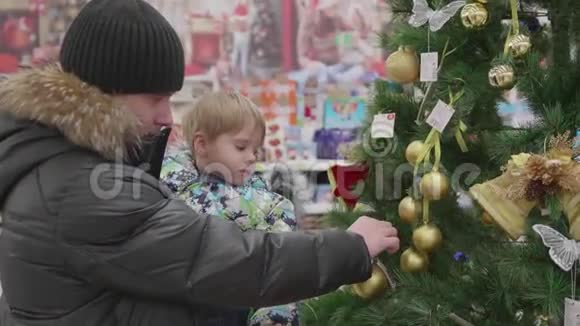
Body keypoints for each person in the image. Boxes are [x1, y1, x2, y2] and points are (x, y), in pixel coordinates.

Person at [0, 1, 400, 326]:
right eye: (155, 98)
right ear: (105, 94)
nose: (167, 117)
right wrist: (350, 248)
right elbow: (228, 262)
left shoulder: (61, 164)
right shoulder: (81, 188)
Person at [160, 91, 300, 325]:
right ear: (202, 144)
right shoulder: (165, 185)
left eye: (255, 150)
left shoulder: (268, 204)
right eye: (241, 147)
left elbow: (280, 271)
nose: (252, 157)